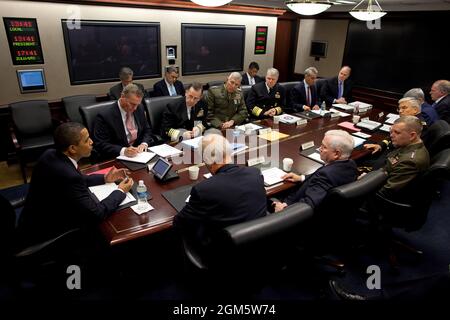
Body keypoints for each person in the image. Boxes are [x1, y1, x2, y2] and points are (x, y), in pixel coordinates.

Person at [18, 122, 133, 247]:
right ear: (72, 148)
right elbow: (97, 214)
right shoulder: (68, 175)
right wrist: (120, 191)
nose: (92, 142)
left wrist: (105, 178)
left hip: (30, 218)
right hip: (45, 232)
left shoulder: (50, 154)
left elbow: (77, 178)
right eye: (86, 140)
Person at [173, 132, 267, 253]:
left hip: (222, 255)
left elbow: (179, 223)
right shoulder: (255, 173)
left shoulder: (204, 190)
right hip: (260, 246)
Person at [272, 130, 358, 212]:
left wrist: (284, 209)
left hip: (293, 210)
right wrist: (301, 178)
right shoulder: (351, 164)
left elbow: (308, 206)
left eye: (324, 147)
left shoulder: (327, 175)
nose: (319, 148)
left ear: (336, 154)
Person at [360, 100, 428, 171]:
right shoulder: (406, 122)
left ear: (415, 110)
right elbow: (393, 136)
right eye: (399, 108)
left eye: (404, 108)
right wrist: (381, 145)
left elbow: (398, 151)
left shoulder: (418, 126)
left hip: (390, 157)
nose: (400, 111)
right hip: (390, 153)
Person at [94, 83, 154, 160]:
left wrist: (144, 143)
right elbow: (100, 144)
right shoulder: (105, 116)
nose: (135, 108)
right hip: (117, 157)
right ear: (122, 96)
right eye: (132, 104)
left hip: (139, 154)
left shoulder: (140, 108)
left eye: (137, 104)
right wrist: (123, 150)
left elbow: (147, 129)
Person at [378, 115, 429, 201]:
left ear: (412, 136)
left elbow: (386, 191)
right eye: (391, 131)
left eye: (397, 132)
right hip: (382, 175)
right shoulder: (408, 144)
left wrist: (365, 184)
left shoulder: (410, 162)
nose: (391, 135)